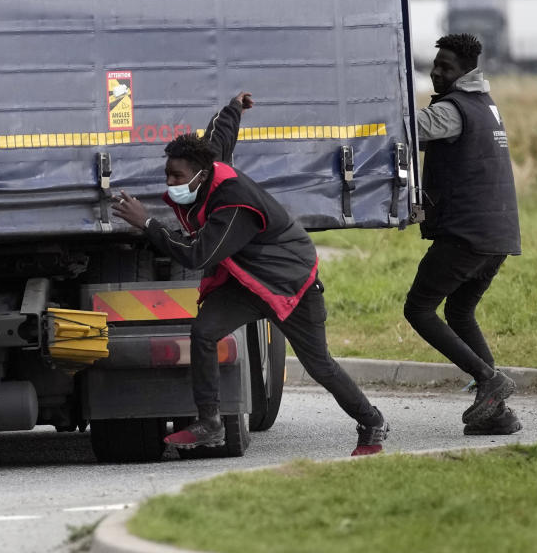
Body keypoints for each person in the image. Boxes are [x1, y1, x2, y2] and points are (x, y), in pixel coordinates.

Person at [111, 92, 388, 456]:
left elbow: (199, 255)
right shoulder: (208, 167)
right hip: (248, 281)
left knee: (320, 365)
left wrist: (147, 224)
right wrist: (234, 107)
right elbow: (220, 137)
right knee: (204, 331)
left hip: (289, 283)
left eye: (176, 175)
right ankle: (210, 423)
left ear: (200, 174)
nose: (170, 182)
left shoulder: (233, 201)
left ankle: (372, 422)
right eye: (167, 175)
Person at [405, 33, 522, 435]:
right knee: (457, 311)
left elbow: (404, 130)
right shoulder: (483, 105)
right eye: (435, 65)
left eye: (445, 67)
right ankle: (497, 413)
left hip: (467, 234)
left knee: (418, 309)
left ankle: (489, 381)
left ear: (465, 71)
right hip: (497, 235)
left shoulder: (453, 110)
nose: (436, 72)